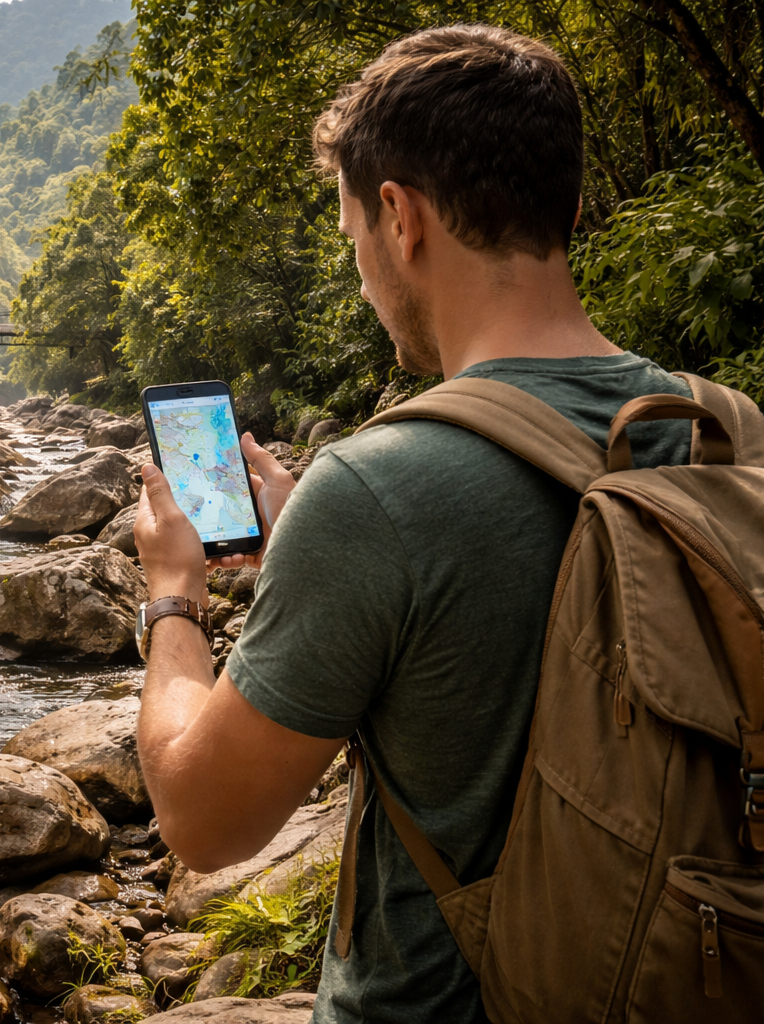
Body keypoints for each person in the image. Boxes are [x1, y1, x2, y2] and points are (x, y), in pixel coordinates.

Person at [132, 24, 699, 1024]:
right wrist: (314, 540)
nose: (360, 273)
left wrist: (174, 597)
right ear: (569, 208)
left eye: (352, 235)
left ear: (401, 218)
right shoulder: (725, 434)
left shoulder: (376, 490)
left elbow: (202, 820)